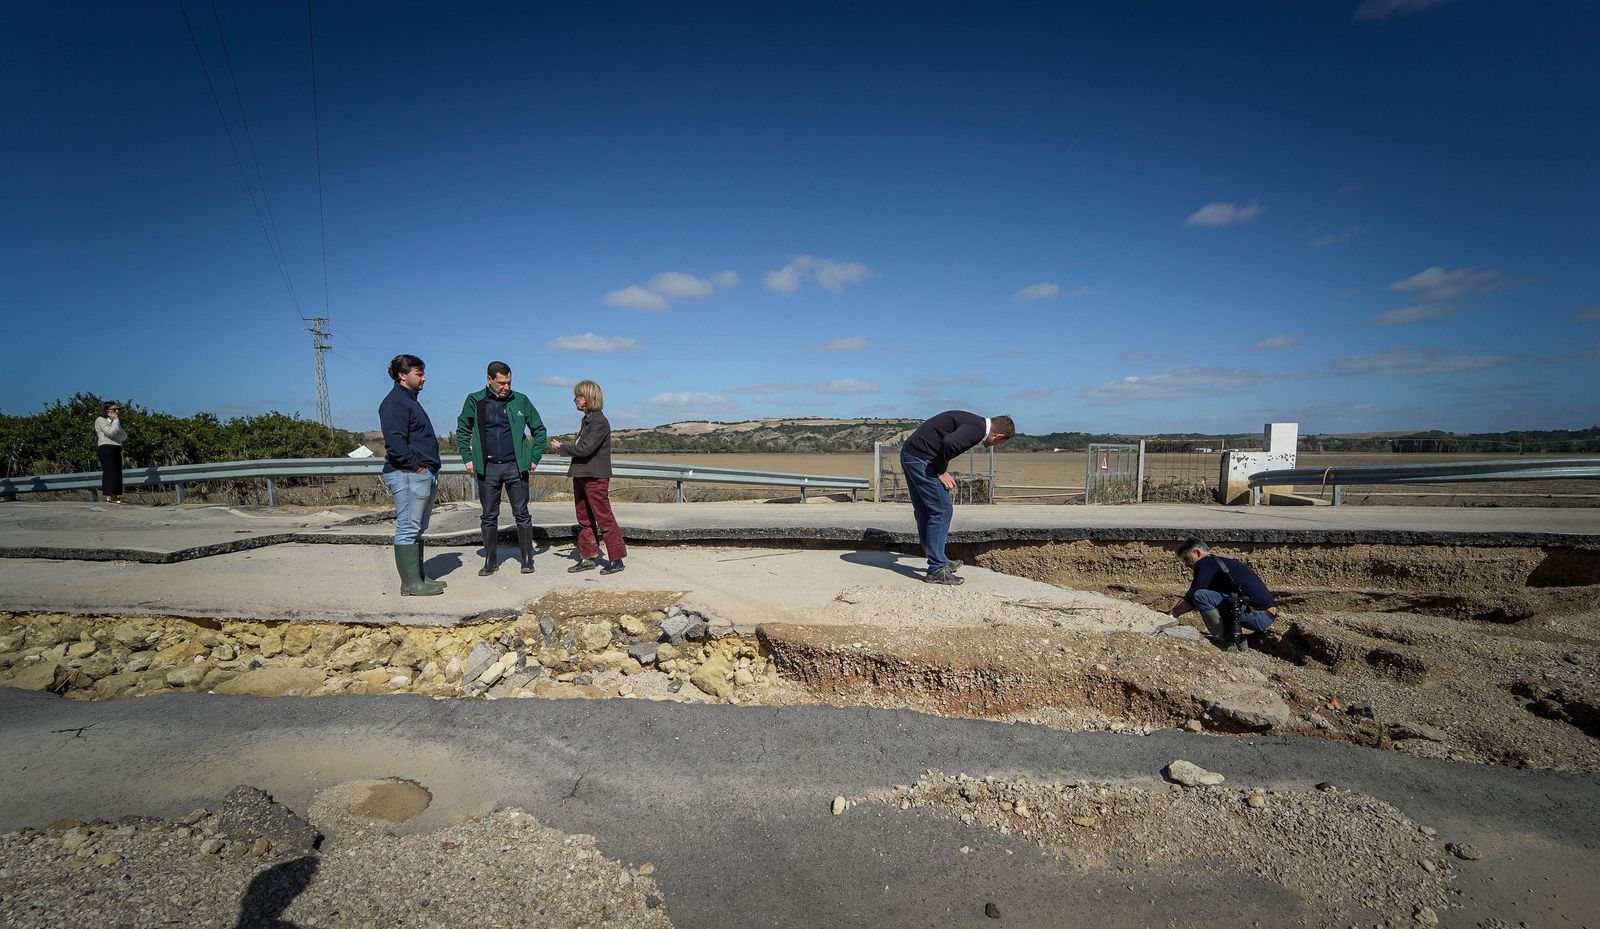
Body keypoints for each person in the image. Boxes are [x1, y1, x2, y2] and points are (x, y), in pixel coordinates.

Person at [900, 411, 1015, 585]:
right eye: (1000, 443)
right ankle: (937, 569)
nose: (996, 445)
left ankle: (938, 560)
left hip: (912, 454)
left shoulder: (975, 423)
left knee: (925, 511)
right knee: (942, 510)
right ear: (998, 436)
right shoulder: (977, 430)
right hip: (920, 458)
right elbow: (949, 443)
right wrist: (941, 471)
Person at [456, 361, 547, 576]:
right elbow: (462, 430)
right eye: (501, 383)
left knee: (522, 514)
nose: (506, 387)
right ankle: (490, 560)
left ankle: (527, 559)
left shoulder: (521, 400)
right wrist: (468, 458)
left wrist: (533, 457)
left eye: (509, 382)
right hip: (487, 468)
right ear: (489, 380)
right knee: (489, 516)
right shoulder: (475, 400)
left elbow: (539, 430)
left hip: (515, 467)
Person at [379, 354, 445, 596]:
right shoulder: (395, 402)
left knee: (417, 528)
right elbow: (396, 443)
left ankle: (418, 576)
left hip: (419, 473)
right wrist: (418, 468)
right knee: (408, 528)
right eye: (419, 373)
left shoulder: (409, 401)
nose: (424, 378)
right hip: (407, 474)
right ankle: (410, 584)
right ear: (402, 375)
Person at [548, 380, 626, 575]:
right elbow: (583, 449)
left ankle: (616, 559)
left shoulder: (599, 422)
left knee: (603, 517)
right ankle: (588, 557)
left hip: (595, 477)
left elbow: (585, 449)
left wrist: (561, 448)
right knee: (583, 517)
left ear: (589, 398)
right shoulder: (588, 420)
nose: (575, 400)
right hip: (582, 474)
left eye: (579, 396)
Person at [1167, 538, 1280, 652]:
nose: (1186, 564)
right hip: (1266, 614)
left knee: (1201, 596)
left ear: (1197, 552)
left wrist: (1170, 616)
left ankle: (1224, 643)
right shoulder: (1219, 562)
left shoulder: (1205, 562)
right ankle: (1239, 643)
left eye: (1187, 559)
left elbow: (1193, 595)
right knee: (1220, 600)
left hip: (1259, 616)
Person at [94, 401, 128, 504]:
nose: (117, 411)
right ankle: (109, 495)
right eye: (114, 409)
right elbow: (110, 432)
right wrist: (115, 422)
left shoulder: (114, 421)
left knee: (117, 472)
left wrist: (114, 425)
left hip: (116, 448)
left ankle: (115, 495)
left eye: (118, 409)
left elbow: (124, 436)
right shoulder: (100, 420)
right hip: (106, 447)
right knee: (110, 471)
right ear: (107, 410)